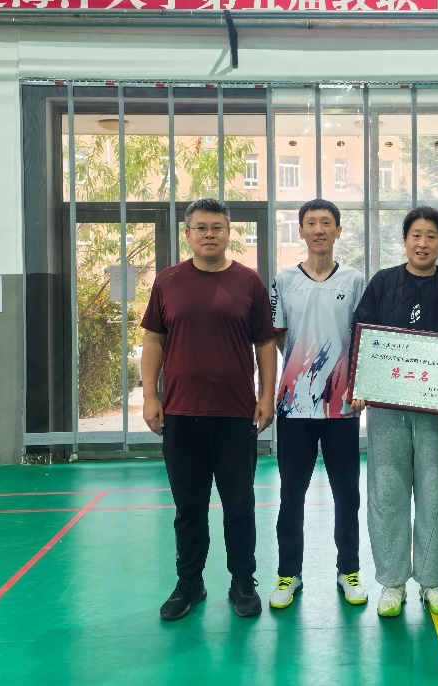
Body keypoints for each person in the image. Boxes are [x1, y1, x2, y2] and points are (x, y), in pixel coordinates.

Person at [140, 198, 277, 621]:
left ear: (228, 232)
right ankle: (190, 583)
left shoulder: (249, 282)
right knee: (189, 508)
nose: (209, 234)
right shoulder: (167, 282)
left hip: (236, 415)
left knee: (239, 506)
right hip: (181, 414)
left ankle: (242, 582)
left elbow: (265, 343)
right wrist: (150, 396)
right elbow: (153, 341)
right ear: (188, 234)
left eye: (217, 227)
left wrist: (266, 396)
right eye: (200, 227)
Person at [349, 206, 438, 618]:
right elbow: (361, 339)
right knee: (386, 494)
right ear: (405, 240)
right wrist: (360, 385)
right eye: (416, 235)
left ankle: (431, 580)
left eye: (431, 236)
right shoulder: (382, 283)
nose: (422, 243)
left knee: (435, 494)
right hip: (387, 410)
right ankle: (392, 583)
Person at [267, 199, 368, 610]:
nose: (319, 229)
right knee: (291, 494)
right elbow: (278, 334)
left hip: (341, 407)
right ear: (301, 231)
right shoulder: (284, 280)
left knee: (347, 494)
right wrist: (303, 370)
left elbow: (363, 336)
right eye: (311, 223)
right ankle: (288, 573)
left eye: (327, 223)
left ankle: (349, 571)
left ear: (339, 230)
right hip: (294, 408)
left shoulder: (356, 280)